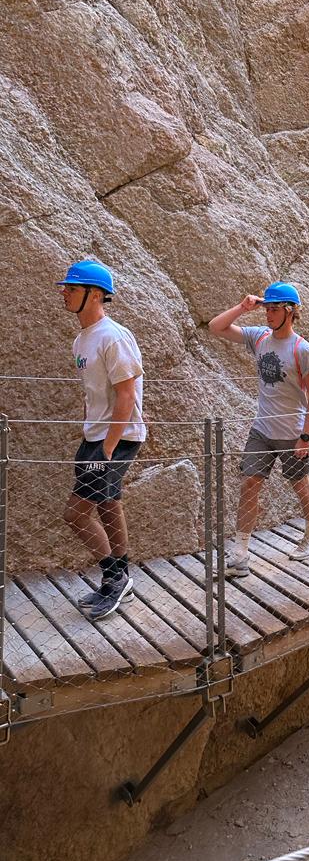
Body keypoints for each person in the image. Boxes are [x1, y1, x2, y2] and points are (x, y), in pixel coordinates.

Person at [209, 282, 309, 574]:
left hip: (292, 432)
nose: (267, 314)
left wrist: (306, 436)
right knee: (249, 485)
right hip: (262, 430)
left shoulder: (304, 350)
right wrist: (244, 307)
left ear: (289, 311)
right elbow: (216, 327)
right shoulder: (259, 338)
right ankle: (240, 554)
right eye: (267, 308)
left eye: (273, 309)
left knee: (300, 486)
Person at [58, 260, 145, 620]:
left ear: (95, 295)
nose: (63, 292)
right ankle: (119, 578)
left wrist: (108, 446)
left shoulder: (113, 336)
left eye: (72, 288)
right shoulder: (82, 338)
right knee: (108, 505)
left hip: (117, 437)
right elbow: (95, 391)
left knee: (75, 514)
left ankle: (114, 578)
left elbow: (127, 394)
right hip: (97, 435)